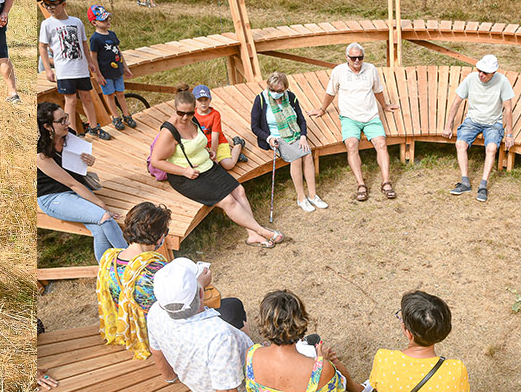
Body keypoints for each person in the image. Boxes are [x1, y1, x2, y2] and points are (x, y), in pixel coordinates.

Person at [146, 259, 272, 392]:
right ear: (201, 294)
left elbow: (156, 350)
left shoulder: (155, 311)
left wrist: (169, 377)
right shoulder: (218, 335)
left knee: (231, 306)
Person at [149, 89, 282, 247]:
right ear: (175, 108)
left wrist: (207, 150)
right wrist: (184, 171)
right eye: (181, 113)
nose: (185, 117)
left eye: (189, 113)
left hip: (208, 167)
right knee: (228, 201)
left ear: (194, 109)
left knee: (239, 191)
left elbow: (198, 140)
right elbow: (156, 161)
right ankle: (262, 231)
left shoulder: (194, 120)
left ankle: (252, 234)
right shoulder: (169, 131)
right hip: (187, 177)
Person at [246, 290, 364, 392]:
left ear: (263, 322)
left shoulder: (252, 354)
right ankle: (360, 391)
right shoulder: (321, 369)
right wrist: (321, 361)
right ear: (300, 322)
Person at [36, 102, 126, 260]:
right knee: (105, 218)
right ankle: (133, 262)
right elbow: (71, 183)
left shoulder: (68, 134)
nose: (68, 123)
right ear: (48, 126)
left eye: (66, 117)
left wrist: (88, 161)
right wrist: (101, 205)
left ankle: (106, 274)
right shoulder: (40, 154)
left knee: (99, 230)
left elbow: (77, 171)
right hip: (53, 197)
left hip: (76, 189)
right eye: (62, 120)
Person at [311, 43, 399, 201]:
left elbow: (377, 90)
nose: (357, 60)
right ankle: (361, 184)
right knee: (351, 144)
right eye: (353, 58)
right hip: (349, 117)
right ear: (347, 58)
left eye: (360, 57)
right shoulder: (339, 71)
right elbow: (331, 92)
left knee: (381, 143)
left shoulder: (371, 69)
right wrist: (322, 109)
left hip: (371, 116)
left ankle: (386, 182)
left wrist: (384, 106)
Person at [96, 201, 171, 358]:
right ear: (159, 237)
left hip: (127, 328)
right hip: (155, 335)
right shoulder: (156, 270)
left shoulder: (109, 259)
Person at [37, 0, 109, 139]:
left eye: (53, 4)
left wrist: (90, 62)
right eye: (46, 5)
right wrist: (48, 69)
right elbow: (42, 47)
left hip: (80, 68)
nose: (50, 8)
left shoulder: (76, 22)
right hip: (64, 70)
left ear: (63, 4)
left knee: (87, 97)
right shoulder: (47, 24)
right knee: (70, 100)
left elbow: (83, 43)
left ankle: (94, 128)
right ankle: (71, 133)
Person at [442, 54, 515, 202]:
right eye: (479, 70)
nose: (481, 74)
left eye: (485, 73)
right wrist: (448, 126)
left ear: (493, 73)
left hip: (493, 122)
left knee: (492, 148)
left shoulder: (502, 81)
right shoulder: (470, 79)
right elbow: (456, 102)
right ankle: (465, 182)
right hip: (473, 120)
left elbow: (508, 109)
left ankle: (483, 185)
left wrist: (509, 134)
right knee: (460, 144)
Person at [251, 72, 325, 211]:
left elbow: (301, 120)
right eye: (272, 90)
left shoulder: (290, 97)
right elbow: (254, 127)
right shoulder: (261, 99)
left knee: (307, 155)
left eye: (279, 91)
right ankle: (301, 198)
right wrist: (269, 138)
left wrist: (303, 136)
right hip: (276, 138)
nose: (275, 93)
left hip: (294, 134)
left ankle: (313, 195)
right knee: (296, 158)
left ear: (285, 89)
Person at [88, 5, 136, 130]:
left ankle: (126, 114)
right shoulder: (95, 39)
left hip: (117, 70)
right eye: (103, 20)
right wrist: (98, 75)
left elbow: (118, 51)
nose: (107, 21)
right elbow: (93, 58)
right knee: (109, 95)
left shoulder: (112, 34)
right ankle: (115, 117)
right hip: (105, 73)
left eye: (107, 18)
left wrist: (125, 67)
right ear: (94, 23)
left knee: (120, 93)